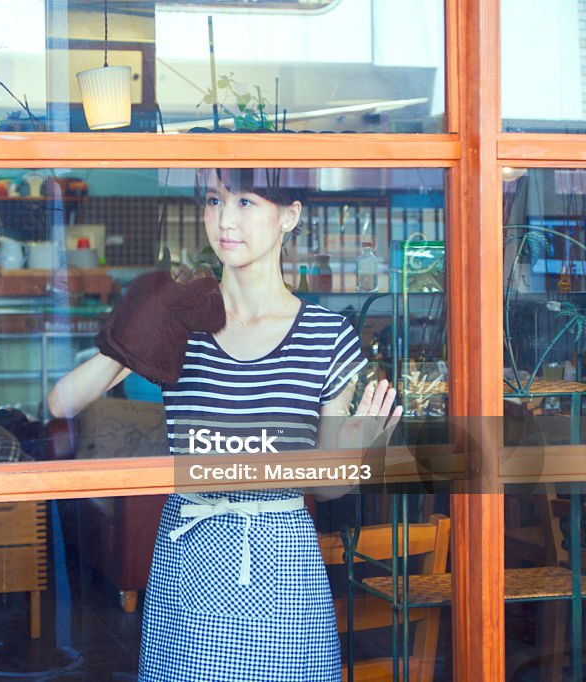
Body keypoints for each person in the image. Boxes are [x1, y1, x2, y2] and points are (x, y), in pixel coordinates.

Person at [46, 168, 402, 682]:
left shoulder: (328, 334)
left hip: (284, 568)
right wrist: (140, 324)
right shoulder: (180, 322)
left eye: (245, 203)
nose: (224, 220)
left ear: (290, 216)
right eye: (214, 201)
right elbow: (63, 404)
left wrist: (361, 452)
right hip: (187, 559)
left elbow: (327, 488)